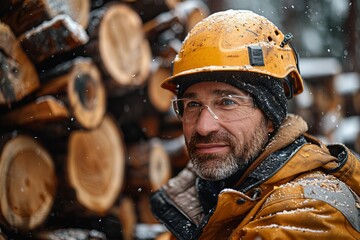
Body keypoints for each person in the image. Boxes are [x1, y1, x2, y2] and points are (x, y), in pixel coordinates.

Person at [150, 9, 360, 240]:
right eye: (192, 104)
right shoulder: (210, 195)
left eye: (227, 102)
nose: (203, 126)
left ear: (270, 116)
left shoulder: (309, 211)